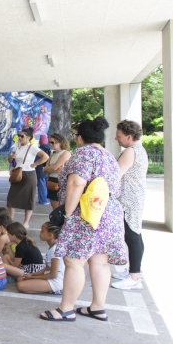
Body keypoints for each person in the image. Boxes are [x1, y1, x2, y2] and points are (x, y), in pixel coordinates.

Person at [39, 117, 126, 322]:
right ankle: (97, 307)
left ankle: (66, 309)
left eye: (76, 134)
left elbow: (77, 184)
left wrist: (67, 213)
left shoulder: (84, 154)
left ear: (81, 137)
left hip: (86, 214)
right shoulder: (108, 156)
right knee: (100, 260)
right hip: (109, 212)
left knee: (73, 261)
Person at [112, 120, 148, 291]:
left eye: (118, 136)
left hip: (129, 199)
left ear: (128, 136)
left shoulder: (130, 152)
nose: (116, 138)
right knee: (134, 235)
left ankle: (134, 276)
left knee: (132, 236)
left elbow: (116, 175)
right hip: (133, 197)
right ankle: (133, 271)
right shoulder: (137, 150)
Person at [6, 128, 49, 227]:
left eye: (22, 136)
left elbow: (45, 156)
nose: (20, 138)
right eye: (19, 136)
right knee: (11, 197)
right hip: (17, 173)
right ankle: (10, 219)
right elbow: (9, 160)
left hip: (28, 174)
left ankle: (26, 222)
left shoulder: (32, 147)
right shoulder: (17, 146)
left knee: (28, 198)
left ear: (28, 138)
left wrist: (35, 164)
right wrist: (11, 157)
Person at [17, 222, 64, 295]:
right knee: (20, 279)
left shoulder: (55, 250)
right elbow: (47, 268)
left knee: (20, 286)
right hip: (49, 277)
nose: (40, 232)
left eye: (42, 231)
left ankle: (54, 289)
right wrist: (32, 274)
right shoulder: (51, 247)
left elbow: (53, 274)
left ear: (50, 235)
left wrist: (32, 278)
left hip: (55, 281)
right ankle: (43, 288)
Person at [42, 133, 71, 210]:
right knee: (52, 203)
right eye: (50, 142)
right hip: (51, 180)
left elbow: (53, 168)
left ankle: (59, 221)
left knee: (58, 204)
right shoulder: (53, 154)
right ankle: (56, 220)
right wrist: (50, 169)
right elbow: (45, 169)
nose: (50, 144)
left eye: (52, 142)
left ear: (60, 142)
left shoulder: (65, 153)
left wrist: (50, 169)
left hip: (59, 181)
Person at [36, 134, 52, 206]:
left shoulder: (39, 150)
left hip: (40, 170)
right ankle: (48, 198)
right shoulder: (50, 149)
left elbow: (36, 160)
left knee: (41, 185)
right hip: (48, 170)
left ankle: (43, 200)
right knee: (46, 184)